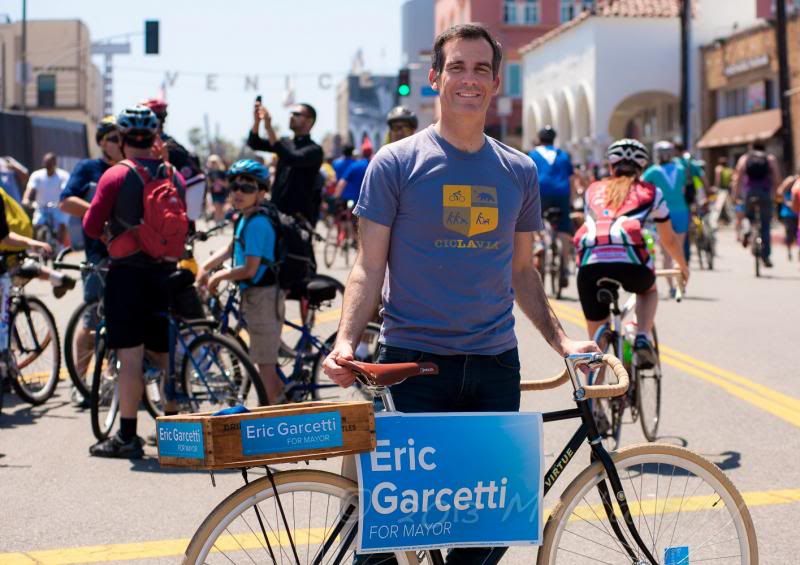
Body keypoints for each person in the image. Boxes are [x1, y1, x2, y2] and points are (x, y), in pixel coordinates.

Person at [322, 23, 598, 565]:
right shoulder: (396, 163)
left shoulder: (518, 171)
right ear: (434, 78)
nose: (468, 79)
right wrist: (347, 342)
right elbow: (367, 266)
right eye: (456, 67)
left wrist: (563, 343)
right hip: (413, 365)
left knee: (487, 529)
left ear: (496, 82)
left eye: (480, 69)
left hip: (495, 366)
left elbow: (523, 271)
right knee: (390, 538)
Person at [83, 105, 186, 459]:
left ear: (123, 139)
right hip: (165, 272)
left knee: (130, 356)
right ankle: (173, 430)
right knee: (162, 352)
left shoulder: (115, 176)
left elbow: (90, 226)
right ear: (155, 137)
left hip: (127, 273)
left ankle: (127, 436)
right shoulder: (174, 175)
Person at [575, 138, 689, 361]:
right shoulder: (650, 192)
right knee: (648, 290)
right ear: (642, 168)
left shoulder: (592, 191)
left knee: (597, 348)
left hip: (590, 267)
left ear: (610, 167)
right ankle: (643, 336)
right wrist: (682, 266)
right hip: (631, 263)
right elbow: (669, 240)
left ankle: (593, 390)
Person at [197, 159, 284, 404]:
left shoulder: (258, 223)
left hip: (263, 297)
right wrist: (205, 266)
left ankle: (274, 419)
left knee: (265, 366)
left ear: (262, 191)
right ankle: (278, 406)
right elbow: (231, 247)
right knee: (263, 358)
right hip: (254, 296)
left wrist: (218, 275)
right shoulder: (245, 217)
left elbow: (249, 268)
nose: (237, 192)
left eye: (247, 188)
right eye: (234, 186)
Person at [59, 115, 123, 406]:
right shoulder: (88, 168)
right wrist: (99, 212)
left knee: (121, 320)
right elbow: (66, 201)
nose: (117, 143)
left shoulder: (129, 168)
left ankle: (109, 381)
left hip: (127, 254)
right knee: (91, 318)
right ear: (100, 142)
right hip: (98, 254)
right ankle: (80, 381)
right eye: (111, 138)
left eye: (121, 137)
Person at [248, 102, 324, 224]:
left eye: (297, 114)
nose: (291, 116)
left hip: (299, 217)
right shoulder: (285, 142)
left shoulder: (314, 149)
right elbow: (254, 143)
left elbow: (291, 157)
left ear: (310, 121)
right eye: (291, 113)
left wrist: (269, 128)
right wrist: (257, 122)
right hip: (277, 210)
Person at [528, 125, 575, 287]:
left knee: (532, 219)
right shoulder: (563, 155)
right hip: (562, 193)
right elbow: (571, 179)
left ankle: (540, 243)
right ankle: (564, 265)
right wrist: (572, 200)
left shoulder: (533, 154)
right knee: (563, 229)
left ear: (539, 139)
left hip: (541, 192)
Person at [642, 141, 689, 297]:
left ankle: (671, 287)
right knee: (678, 249)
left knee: (666, 252)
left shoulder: (652, 172)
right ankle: (680, 283)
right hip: (682, 211)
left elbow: (640, 188)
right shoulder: (681, 169)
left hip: (662, 213)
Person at [733, 141, 781, 267]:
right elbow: (776, 177)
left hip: (749, 192)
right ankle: (766, 256)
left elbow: (738, 177)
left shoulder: (745, 158)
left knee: (748, 216)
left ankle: (747, 230)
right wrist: (777, 194)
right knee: (765, 225)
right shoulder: (769, 158)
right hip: (765, 193)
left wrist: (736, 195)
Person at [23, 153, 70, 248]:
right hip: (41, 207)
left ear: (55, 163)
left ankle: (60, 247)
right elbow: (30, 189)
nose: (48, 166)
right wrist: (26, 200)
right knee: (36, 225)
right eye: (46, 163)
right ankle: (35, 250)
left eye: (50, 163)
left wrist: (64, 201)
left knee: (62, 223)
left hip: (58, 207)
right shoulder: (37, 175)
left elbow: (65, 190)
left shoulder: (63, 175)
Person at [777, 171, 799, 260]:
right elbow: (779, 192)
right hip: (788, 213)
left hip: (797, 212)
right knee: (789, 233)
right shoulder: (791, 180)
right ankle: (789, 251)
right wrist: (787, 202)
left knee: (797, 233)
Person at [205, 154, 229, 225]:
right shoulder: (209, 174)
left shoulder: (223, 173)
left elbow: (227, 184)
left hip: (223, 193)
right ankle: (217, 224)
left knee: (221, 210)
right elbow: (209, 185)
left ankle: (221, 224)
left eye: (214, 162)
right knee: (217, 208)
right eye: (212, 162)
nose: (213, 164)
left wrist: (219, 182)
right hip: (214, 194)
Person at [712, 155, 734, 226]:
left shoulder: (718, 169)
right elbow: (732, 181)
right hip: (728, 190)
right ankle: (733, 221)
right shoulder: (729, 170)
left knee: (718, 207)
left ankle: (713, 222)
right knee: (729, 207)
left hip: (721, 190)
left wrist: (716, 188)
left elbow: (717, 180)